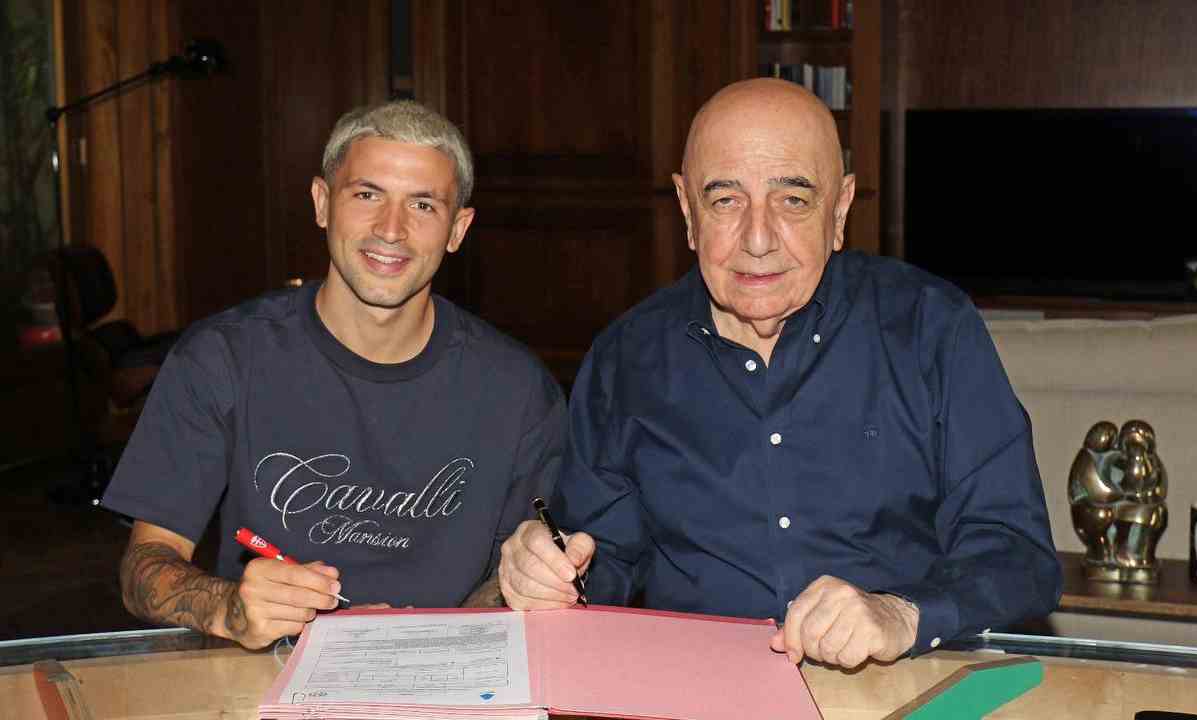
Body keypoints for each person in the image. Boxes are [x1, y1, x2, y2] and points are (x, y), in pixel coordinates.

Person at [497, 79, 1062, 669]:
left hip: (901, 682)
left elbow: (1019, 557)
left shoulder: (930, 328)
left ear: (839, 210)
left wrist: (901, 614)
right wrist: (549, 574)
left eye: (793, 200)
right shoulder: (625, 358)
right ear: (687, 211)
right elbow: (600, 562)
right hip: (698, 690)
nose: (759, 239)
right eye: (725, 201)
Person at [102, 100, 565, 650]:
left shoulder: (519, 391)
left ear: (457, 229)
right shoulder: (222, 359)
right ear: (322, 203)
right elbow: (143, 569)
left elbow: (511, 580)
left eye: (422, 204)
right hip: (262, 676)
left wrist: (504, 597)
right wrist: (228, 607)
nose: (390, 229)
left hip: (451, 675)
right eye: (367, 195)